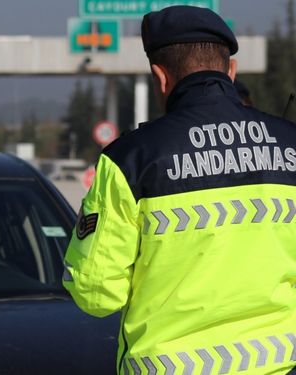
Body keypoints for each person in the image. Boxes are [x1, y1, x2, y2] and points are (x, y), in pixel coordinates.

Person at [62, 6, 296, 375]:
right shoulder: (290, 143)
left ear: (160, 77)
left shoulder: (130, 159)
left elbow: (96, 294)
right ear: (231, 72)